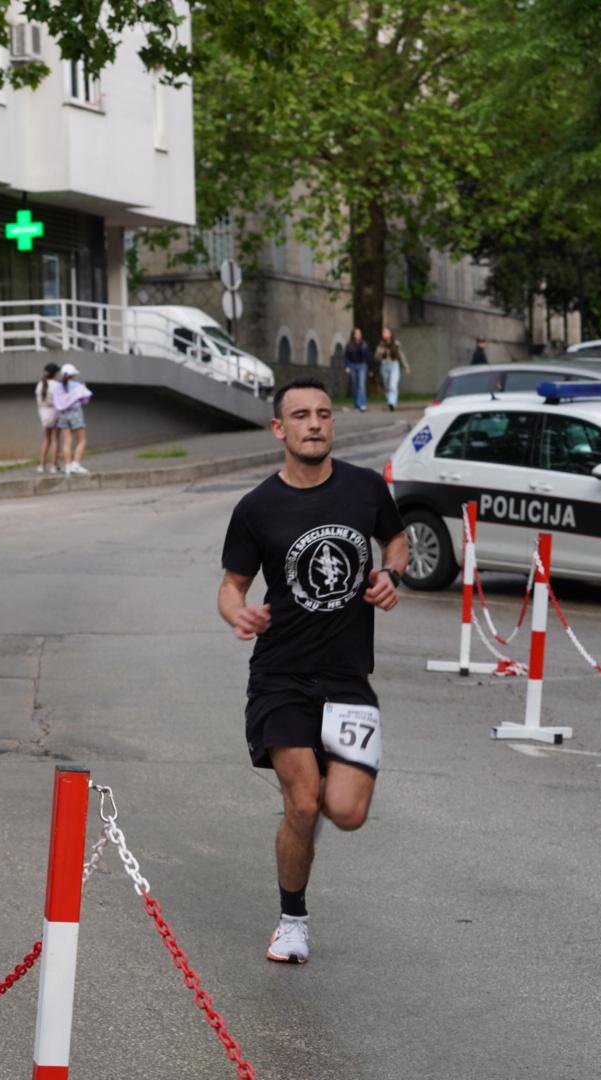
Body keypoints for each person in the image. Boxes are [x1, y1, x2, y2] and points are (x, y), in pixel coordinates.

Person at [217, 378, 408, 965]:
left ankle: (323, 775)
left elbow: (397, 541)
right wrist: (239, 615)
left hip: (348, 678)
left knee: (345, 812)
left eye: (324, 414)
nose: (315, 424)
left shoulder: (365, 488)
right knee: (302, 803)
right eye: (300, 415)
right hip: (282, 676)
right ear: (280, 429)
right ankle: (292, 921)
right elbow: (231, 587)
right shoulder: (257, 508)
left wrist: (390, 575)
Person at [51, 363, 93, 475]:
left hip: (63, 415)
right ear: (73, 375)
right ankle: (76, 464)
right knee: (82, 440)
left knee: (67, 441)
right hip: (75, 414)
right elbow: (85, 400)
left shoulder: (57, 388)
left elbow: (56, 403)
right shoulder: (78, 385)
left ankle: (68, 466)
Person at [34, 362, 61, 473]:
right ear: (55, 373)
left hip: (43, 413)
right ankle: (53, 466)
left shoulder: (40, 384)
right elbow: (60, 400)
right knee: (55, 439)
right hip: (55, 413)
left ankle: (41, 465)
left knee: (46, 439)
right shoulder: (57, 385)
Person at [374, 328, 409, 411]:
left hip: (394, 365)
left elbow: (401, 355)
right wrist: (379, 353)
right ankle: (389, 399)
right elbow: (376, 358)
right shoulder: (381, 345)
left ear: (390, 334)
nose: (384, 333)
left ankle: (391, 403)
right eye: (383, 332)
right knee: (387, 385)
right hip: (384, 365)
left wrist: (406, 366)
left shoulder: (396, 343)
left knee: (393, 384)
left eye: (386, 332)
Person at [343, 328, 371, 412]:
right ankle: (356, 405)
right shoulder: (349, 345)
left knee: (361, 385)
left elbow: (367, 357)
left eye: (359, 333)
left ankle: (362, 404)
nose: (358, 335)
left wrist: (370, 369)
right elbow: (346, 357)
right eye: (356, 333)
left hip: (362, 365)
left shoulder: (364, 344)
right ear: (353, 335)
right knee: (354, 386)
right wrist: (347, 366)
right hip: (352, 366)